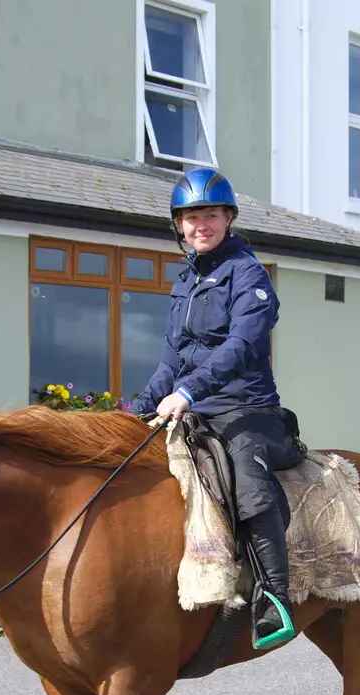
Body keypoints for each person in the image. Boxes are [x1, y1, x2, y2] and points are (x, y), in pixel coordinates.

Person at [127, 167, 300, 650]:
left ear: (227, 218)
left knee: (247, 481)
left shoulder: (249, 274)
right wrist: (133, 410)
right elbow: (169, 362)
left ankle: (275, 599)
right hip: (195, 407)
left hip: (247, 409)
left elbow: (242, 345)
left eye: (210, 215)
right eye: (190, 217)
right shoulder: (184, 282)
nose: (200, 225)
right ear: (178, 225)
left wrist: (189, 391)